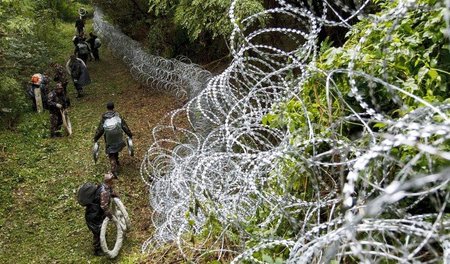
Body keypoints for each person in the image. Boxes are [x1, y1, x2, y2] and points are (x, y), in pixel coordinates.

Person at [93, 102, 133, 177]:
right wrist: (129, 134)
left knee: (111, 153)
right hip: (118, 136)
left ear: (107, 108)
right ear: (113, 107)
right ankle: (116, 162)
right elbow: (124, 125)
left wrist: (96, 138)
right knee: (116, 146)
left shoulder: (104, 117)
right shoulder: (118, 115)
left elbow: (100, 129)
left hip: (109, 137)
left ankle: (114, 169)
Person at [85, 171, 118, 256]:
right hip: (94, 215)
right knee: (98, 232)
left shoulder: (104, 186)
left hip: (95, 213)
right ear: (109, 181)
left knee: (100, 230)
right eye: (112, 180)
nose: (113, 182)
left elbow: (111, 192)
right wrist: (110, 216)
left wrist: (115, 195)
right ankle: (97, 250)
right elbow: (104, 206)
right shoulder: (104, 191)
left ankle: (101, 243)